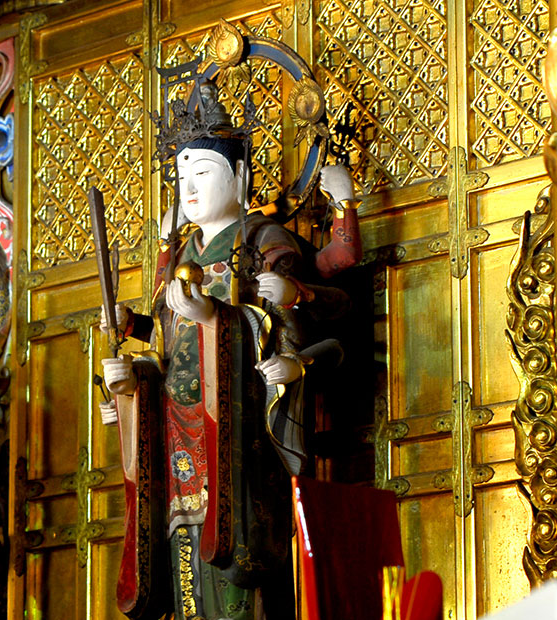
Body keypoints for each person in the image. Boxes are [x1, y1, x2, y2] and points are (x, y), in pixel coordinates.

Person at [99, 95, 355, 619]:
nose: (189, 189)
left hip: (238, 433)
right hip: (179, 434)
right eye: (181, 177)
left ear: (239, 177)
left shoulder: (264, 240)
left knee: (233, 570)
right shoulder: (181, 257)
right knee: (184, 559)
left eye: (202, 173)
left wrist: (234, 314)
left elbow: (294, 326)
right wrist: (130, 387)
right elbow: (166, 341)